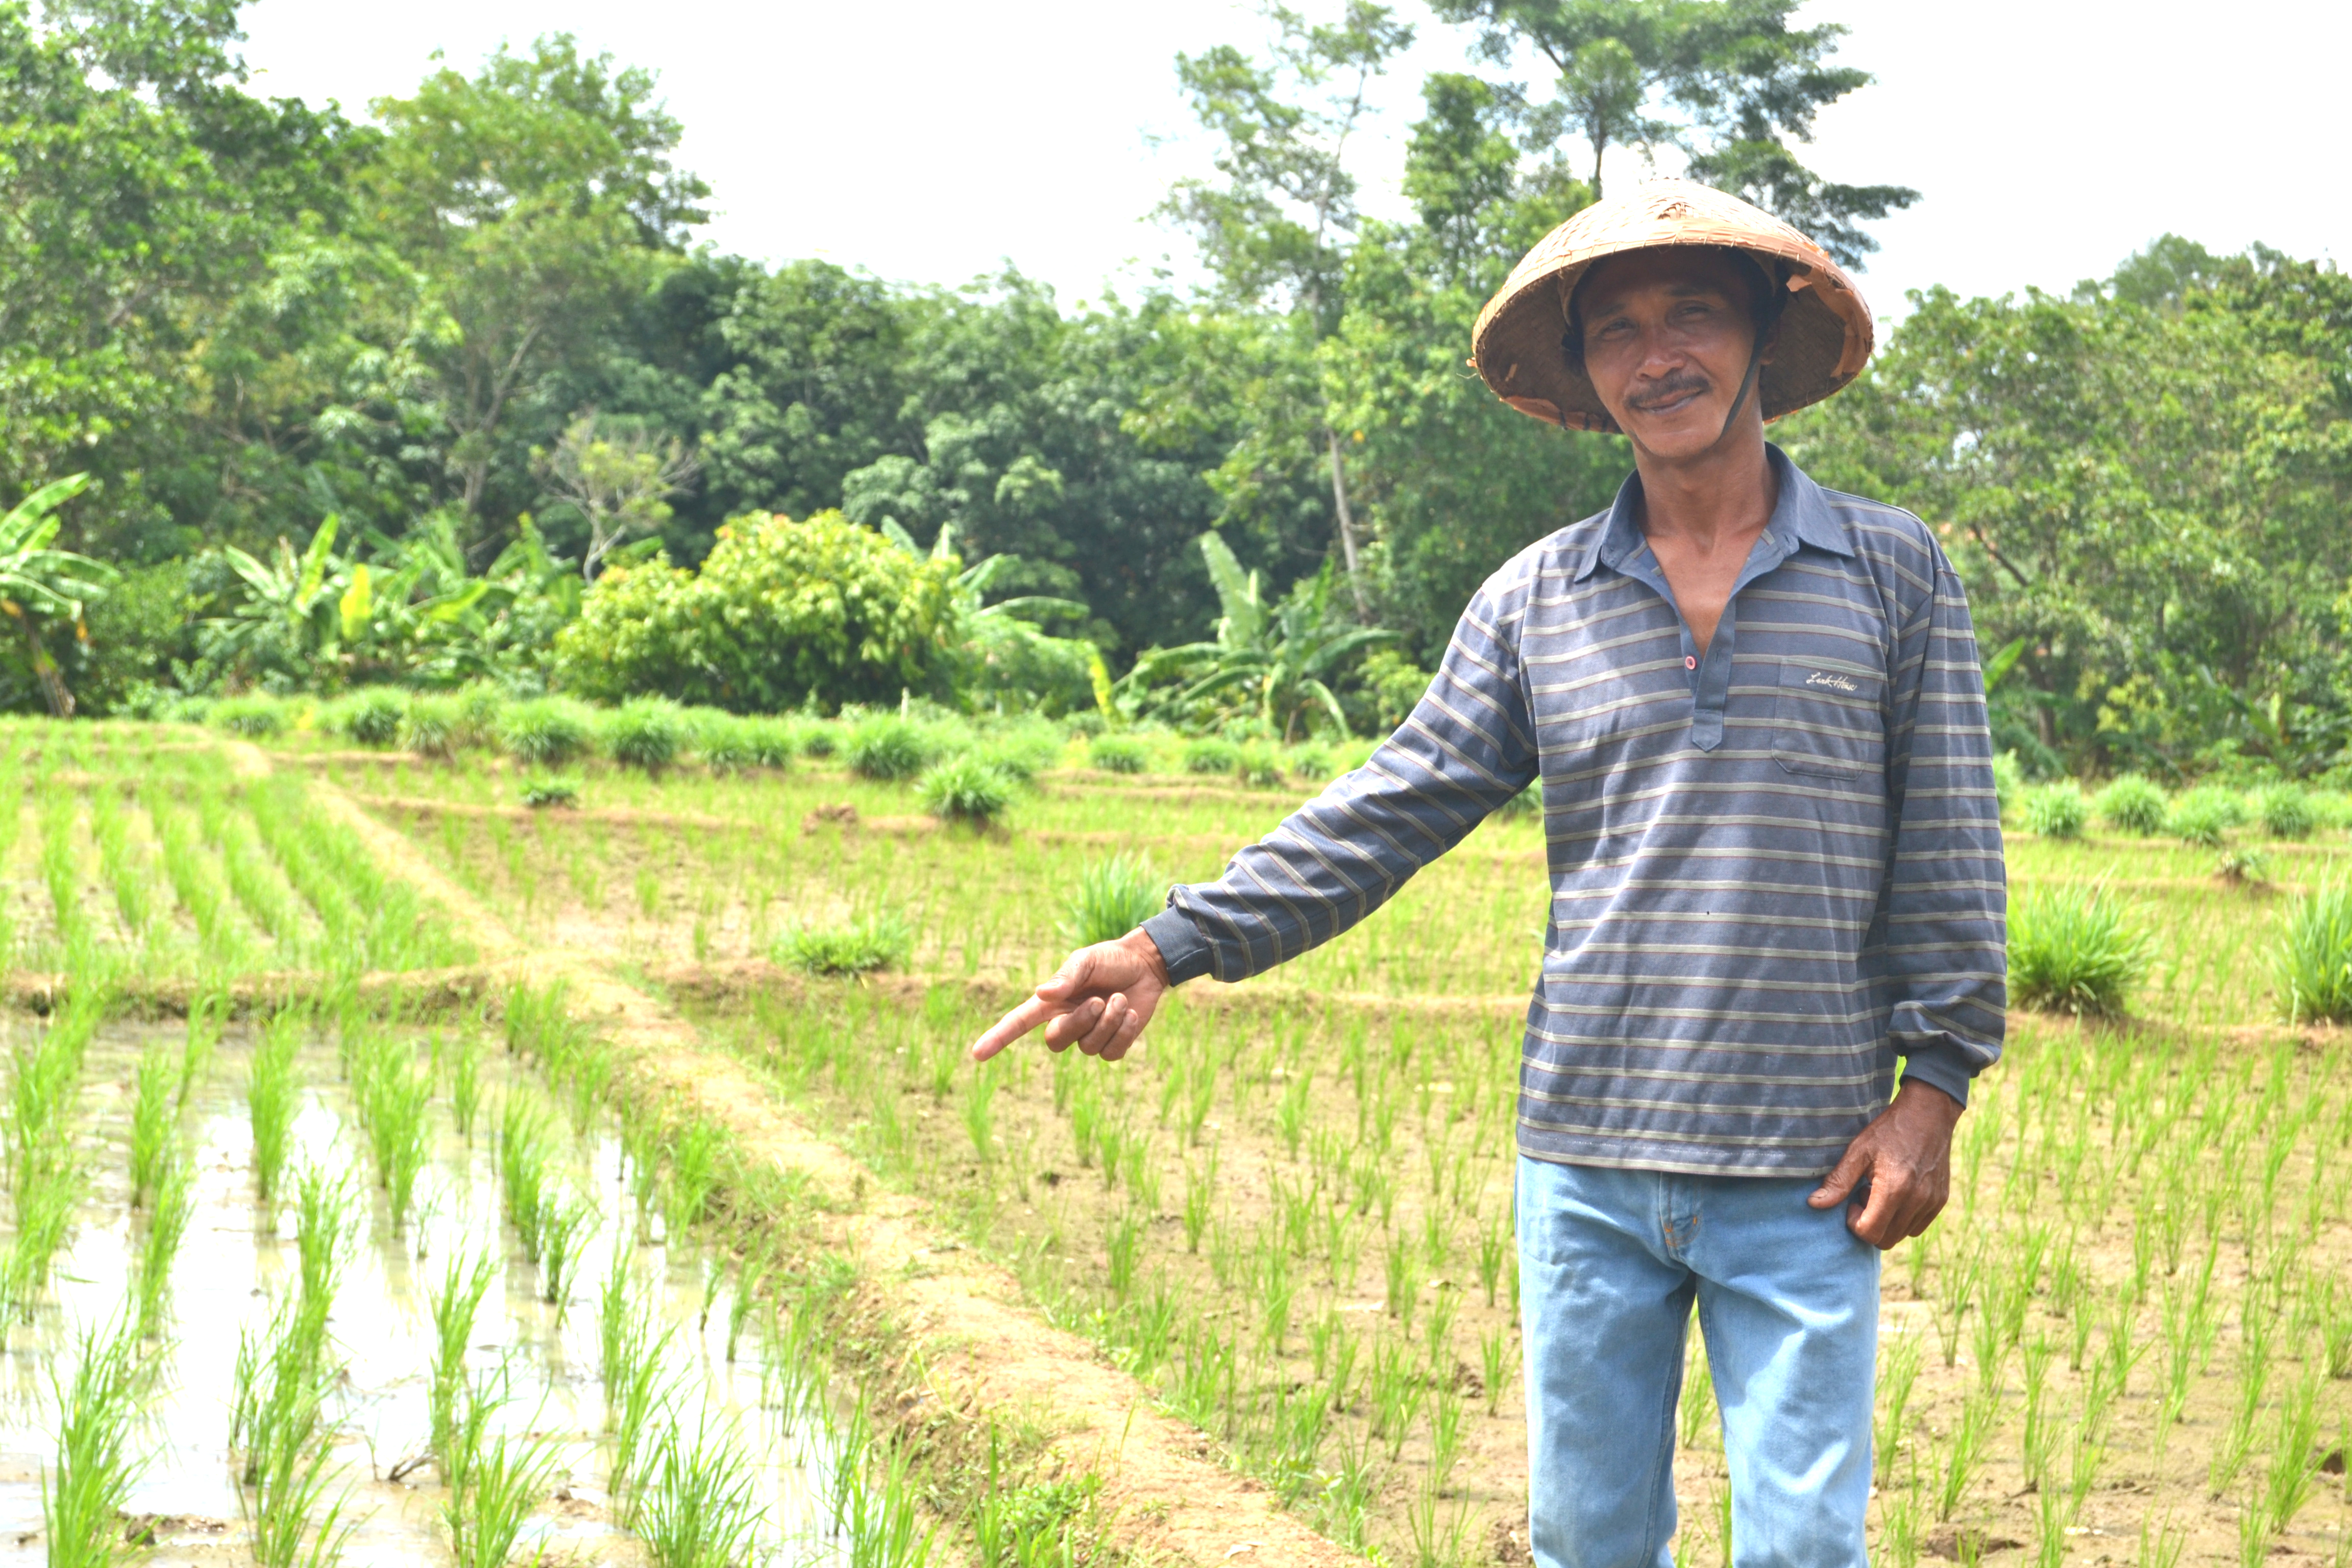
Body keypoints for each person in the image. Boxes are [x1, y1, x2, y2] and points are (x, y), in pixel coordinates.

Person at [970, 181, 2005, 1568]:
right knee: (1584, 1544)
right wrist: (1168, 944)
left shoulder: (1892, 574)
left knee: (1808, 1551)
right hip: (1585, 1159)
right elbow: (1395, 804)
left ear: (1765, 326)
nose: (1659, 355)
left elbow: (1949, 843)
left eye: (1693, 310)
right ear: (1584, 375)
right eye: (1617, 329)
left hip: (1808, 1162)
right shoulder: (1537, 599)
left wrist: (1933, 1091)